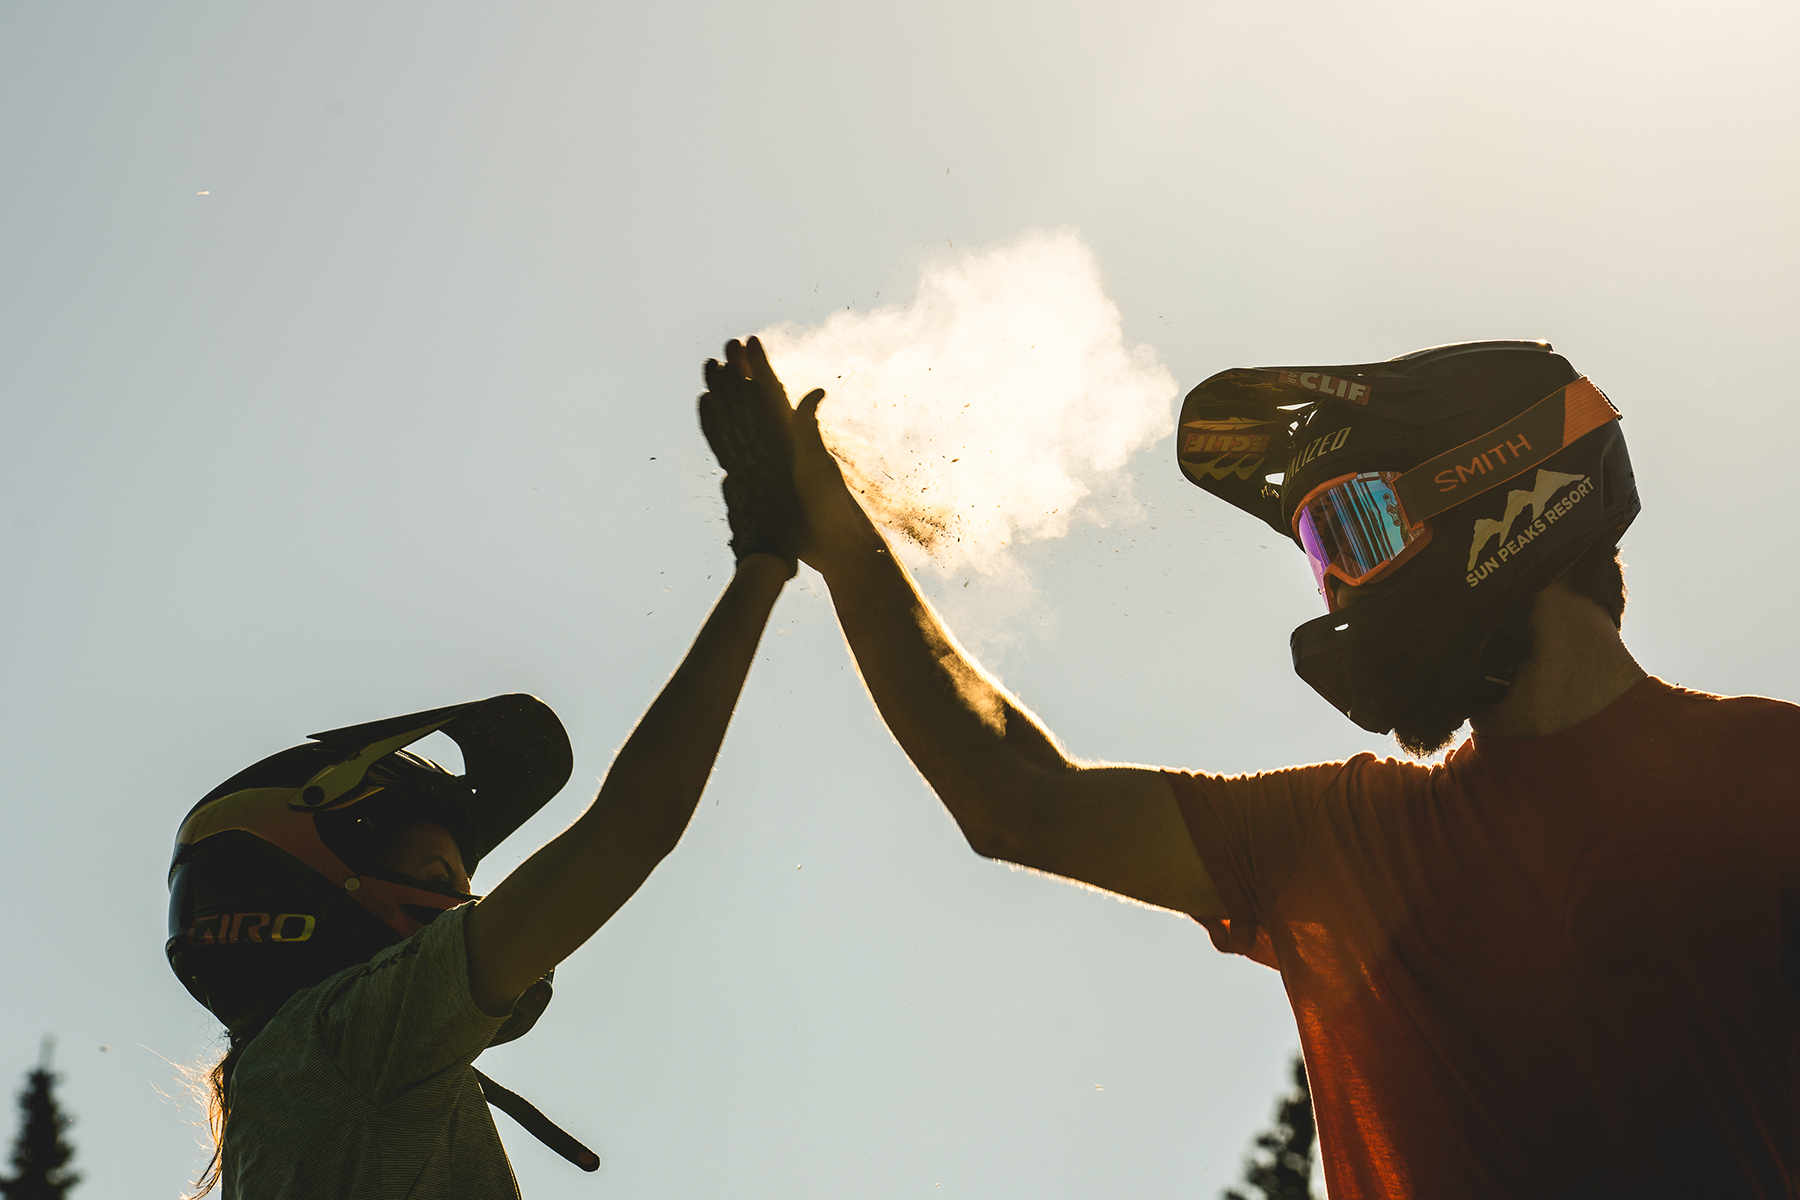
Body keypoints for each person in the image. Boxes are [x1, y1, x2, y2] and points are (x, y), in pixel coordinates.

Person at [725, 334, 1800, 1198]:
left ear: (1511, 502)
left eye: (1355, 528)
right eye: (1322, 557)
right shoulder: (1354, 838)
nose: (1339, 590)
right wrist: (831, 522)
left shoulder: (1771, 778)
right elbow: (1016, 797)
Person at [164, 350, 810, 1198]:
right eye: (440, 874)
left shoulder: (291, 1084)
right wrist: (763, 560)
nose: (467, 902)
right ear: (311, 885)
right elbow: (630, 828)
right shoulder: (345, 1040)